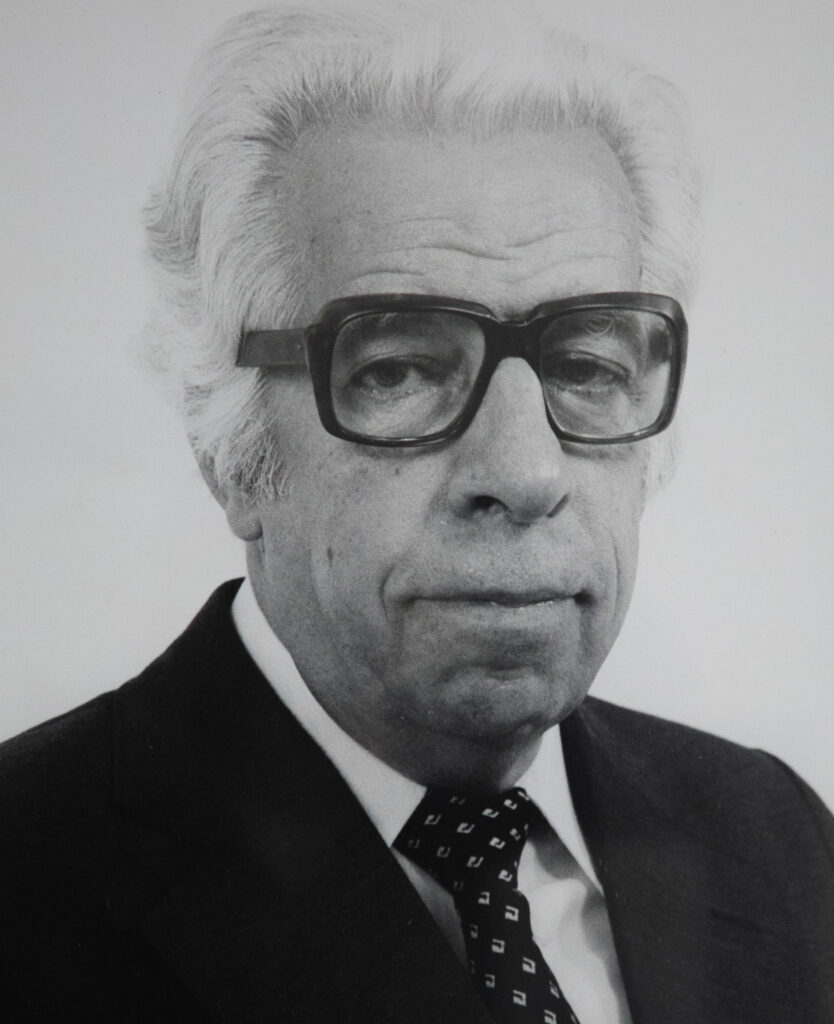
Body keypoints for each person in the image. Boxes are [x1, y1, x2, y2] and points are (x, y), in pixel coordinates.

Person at [1, 2, 832, 1022]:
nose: (526, 472)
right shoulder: (26, 884)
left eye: (586, 365)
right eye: (397, 369)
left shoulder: (779, 838)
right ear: (229, 449)